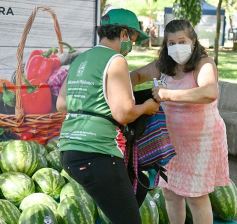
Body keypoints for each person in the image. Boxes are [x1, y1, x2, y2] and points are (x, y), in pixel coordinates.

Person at [56, 8, 159, 224]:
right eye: (132, 37)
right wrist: (147, 107)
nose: (132, 44)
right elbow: (124, 113)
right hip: (98, 154)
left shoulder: (80, 59)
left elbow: (61, 104)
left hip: (69, 152)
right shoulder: (116, 60)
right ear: (123, 34)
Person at [130, 19, 230, 224]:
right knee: (171, 193)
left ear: (193, 41)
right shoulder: (164, 65)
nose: (177, 47)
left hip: (201, 142)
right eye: (171, 43)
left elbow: (209, 92)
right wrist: (117, 86)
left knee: (196, 197)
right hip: (170, 141)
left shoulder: (204, 63)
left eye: (182, 41)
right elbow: (138, 75)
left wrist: (167, 94)